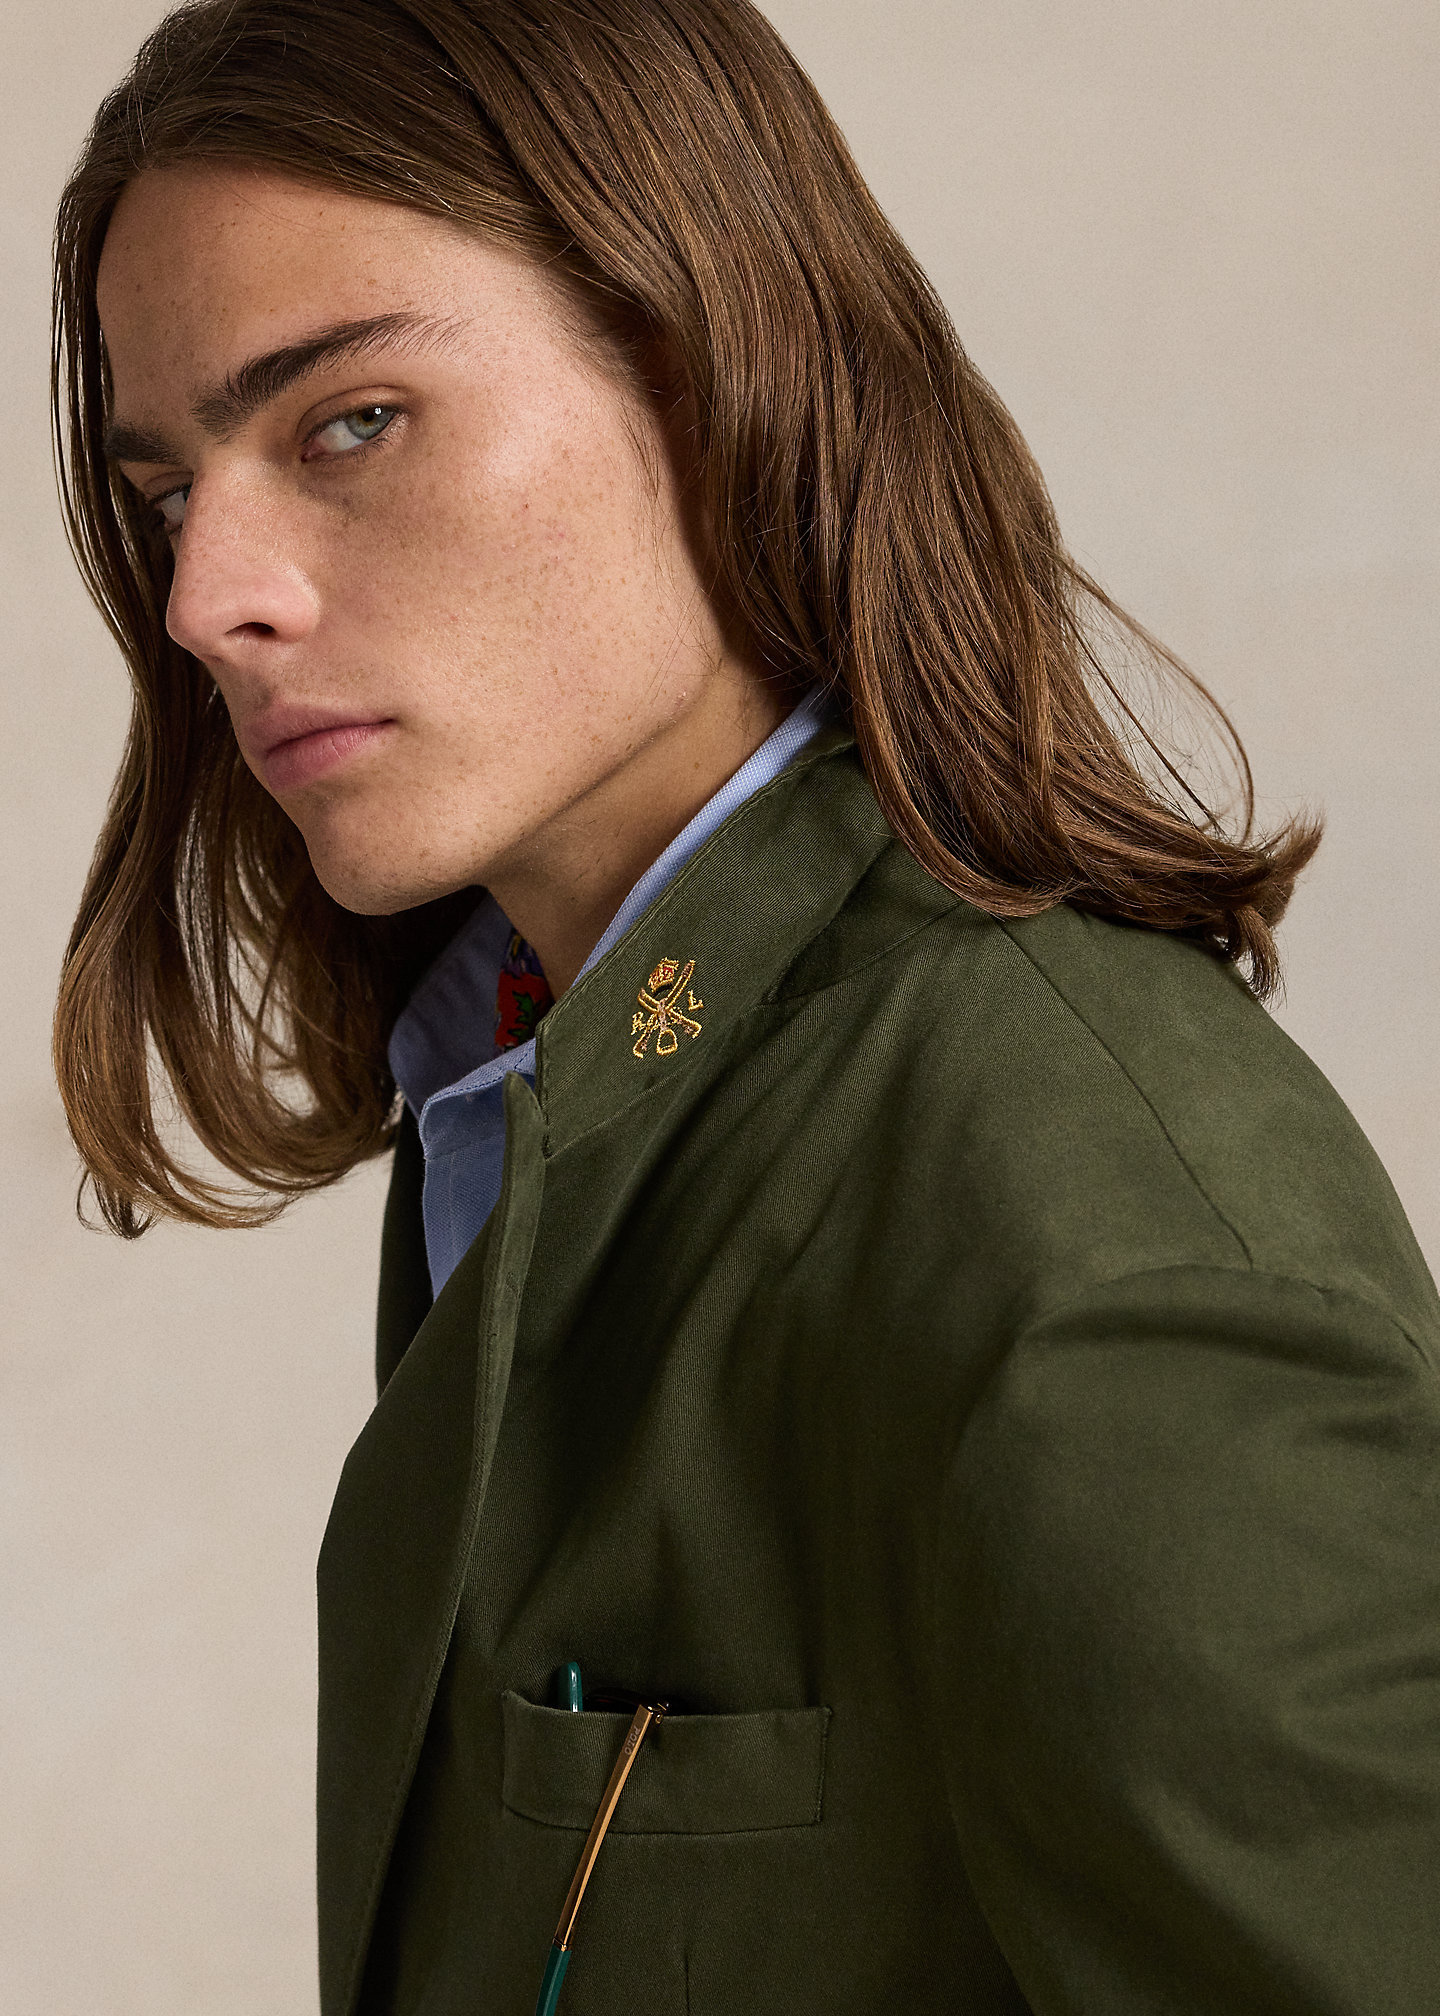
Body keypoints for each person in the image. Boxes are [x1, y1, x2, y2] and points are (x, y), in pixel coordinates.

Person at [51, 1, 1440, 2012]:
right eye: (172, 489)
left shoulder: (1093, 1249)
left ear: (716, 371)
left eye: (351, 422)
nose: (207, 599)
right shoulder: (539, 1081)